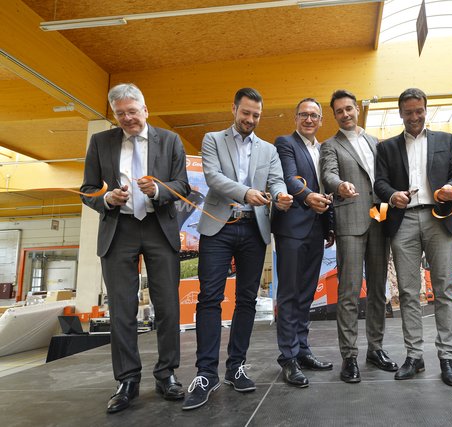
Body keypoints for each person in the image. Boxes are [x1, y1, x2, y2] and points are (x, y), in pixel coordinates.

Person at [80, 83, 191, 413]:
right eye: (121, 113)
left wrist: (158, 190)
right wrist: (107, 199)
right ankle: (127, 380)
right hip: (119, 229)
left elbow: (183, 185)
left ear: (145, 109)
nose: (128, 118)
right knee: (122, 310)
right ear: (115, 115)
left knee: (168, 306)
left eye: (132, 111)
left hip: (159, 227)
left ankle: (166, 374)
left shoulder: (169, 140)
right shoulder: (101, 142)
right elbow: (87, 190)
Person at [182, 88, 293, 410]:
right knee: (209, 298)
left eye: (256, 115)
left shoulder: (268, 150)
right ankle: (205, 374)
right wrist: (246, 193)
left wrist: (282, 194)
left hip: (254, 229)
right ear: (234, 109)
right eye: (246, 113)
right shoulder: (212, 140)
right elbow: (214, 178)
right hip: (218, 227)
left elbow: (276, 181)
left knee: (246, 299)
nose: (250, 120)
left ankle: (236, 367)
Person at [374, 87, 452, 386]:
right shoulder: (386, 147)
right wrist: (392, 195)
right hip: (404, 221)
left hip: (439, 217)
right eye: (408, 112)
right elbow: (380, 183)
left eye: (419, 111)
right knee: (410, 292)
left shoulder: (446, 140)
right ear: (400, 113)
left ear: (426, 110)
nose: (414, 116)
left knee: (445, 289)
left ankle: (447, 357)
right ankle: (414, 356)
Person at [320, 89, 397, 384]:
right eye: (339, 111)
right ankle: (349, 356)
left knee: (378, 290)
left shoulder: (374, 142)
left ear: (357, 110)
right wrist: (339, 186)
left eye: (349, 109)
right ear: (335, 115)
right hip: (350, 221)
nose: (345, 114)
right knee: (349, 292)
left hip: (379, 219)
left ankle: (375, 349)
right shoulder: (330, 145)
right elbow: (328, 175)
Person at [271, 98, 335, 387]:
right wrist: (308, 197)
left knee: (307, 294)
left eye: (314, 115)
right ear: (295, 118)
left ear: (321, 121)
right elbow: (288, 177)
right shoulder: (285, 143)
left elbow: (327, 188)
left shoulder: (324, 150)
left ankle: (302, 349)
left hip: (317, 228)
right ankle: (288, 357)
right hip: (292, 228)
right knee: (288, 294)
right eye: (303, 115)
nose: (309, 119)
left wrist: (329, 225)